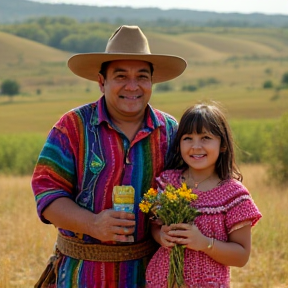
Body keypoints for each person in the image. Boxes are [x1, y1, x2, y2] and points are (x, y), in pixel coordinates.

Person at [31, 25, 187, 288]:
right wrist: (92, 223)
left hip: (152, 276)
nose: (132, 86)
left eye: (142, 76)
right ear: (102, 82)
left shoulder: (170, 131)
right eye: (121, 76)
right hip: (81, 276)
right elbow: (47, 194)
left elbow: (195, 186)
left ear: (152, 81)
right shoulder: (72, 127)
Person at [145, 103, 262, 287]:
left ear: (222, 144)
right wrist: (162, 237)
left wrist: (205, 243)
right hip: (162, 281)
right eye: (188, 138)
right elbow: (154, 226)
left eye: (205, 138)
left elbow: (241, 256)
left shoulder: (234, 195)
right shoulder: (167, 182)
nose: (196, 146)